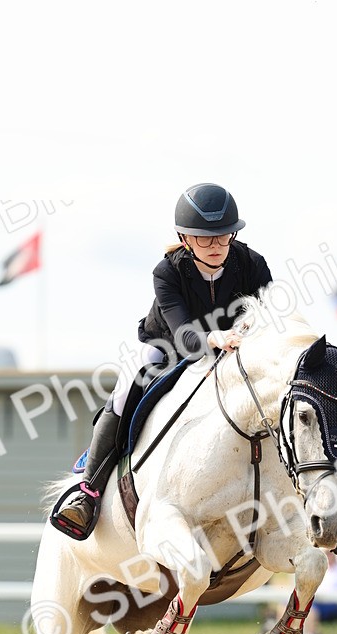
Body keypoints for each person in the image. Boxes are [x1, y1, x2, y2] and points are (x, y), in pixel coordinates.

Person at [53, 182, 273, 538]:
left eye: (223, 236)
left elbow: (268, 319)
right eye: (205, 238)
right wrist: (213, 338)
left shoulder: (252, 265)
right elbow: (184, 333)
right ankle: (89, 491)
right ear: (184, 237)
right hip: (169, 346)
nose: (216, 245)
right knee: (128, 384)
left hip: (236, 348)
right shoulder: (167, 272)